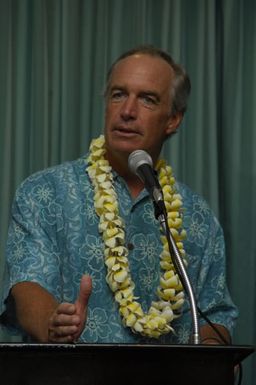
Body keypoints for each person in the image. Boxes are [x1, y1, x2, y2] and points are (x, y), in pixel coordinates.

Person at [0, 45, 238, 344]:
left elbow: (214, 314)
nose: (127, 111)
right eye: (118, 94)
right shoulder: (44, 193)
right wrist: (52, 321)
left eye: (147, 99)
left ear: (173, 120)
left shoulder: (197, 215)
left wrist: (212, 354)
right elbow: (26, 286)